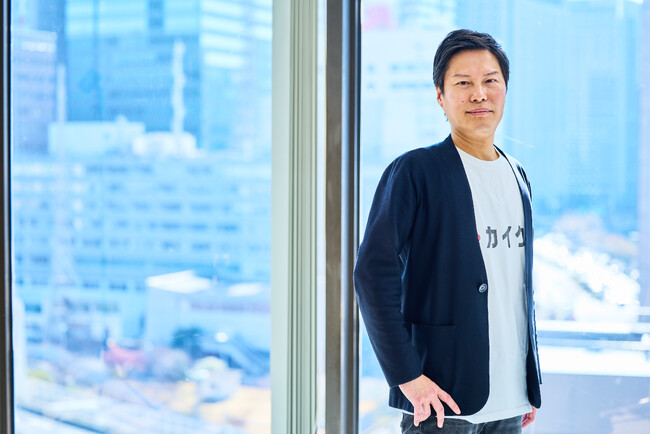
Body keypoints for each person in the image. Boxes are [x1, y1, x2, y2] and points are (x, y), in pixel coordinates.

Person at [353, 29, 542, 433]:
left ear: (505, 89)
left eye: (490, 81)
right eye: (463, 83)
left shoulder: (518, 175)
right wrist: (408, 377)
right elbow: (372, 274)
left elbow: (517, 286)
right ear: (440, 96)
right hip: (441, 400)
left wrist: (529, 382)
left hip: (510, 403)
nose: (479, 94)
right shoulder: (415, 171)